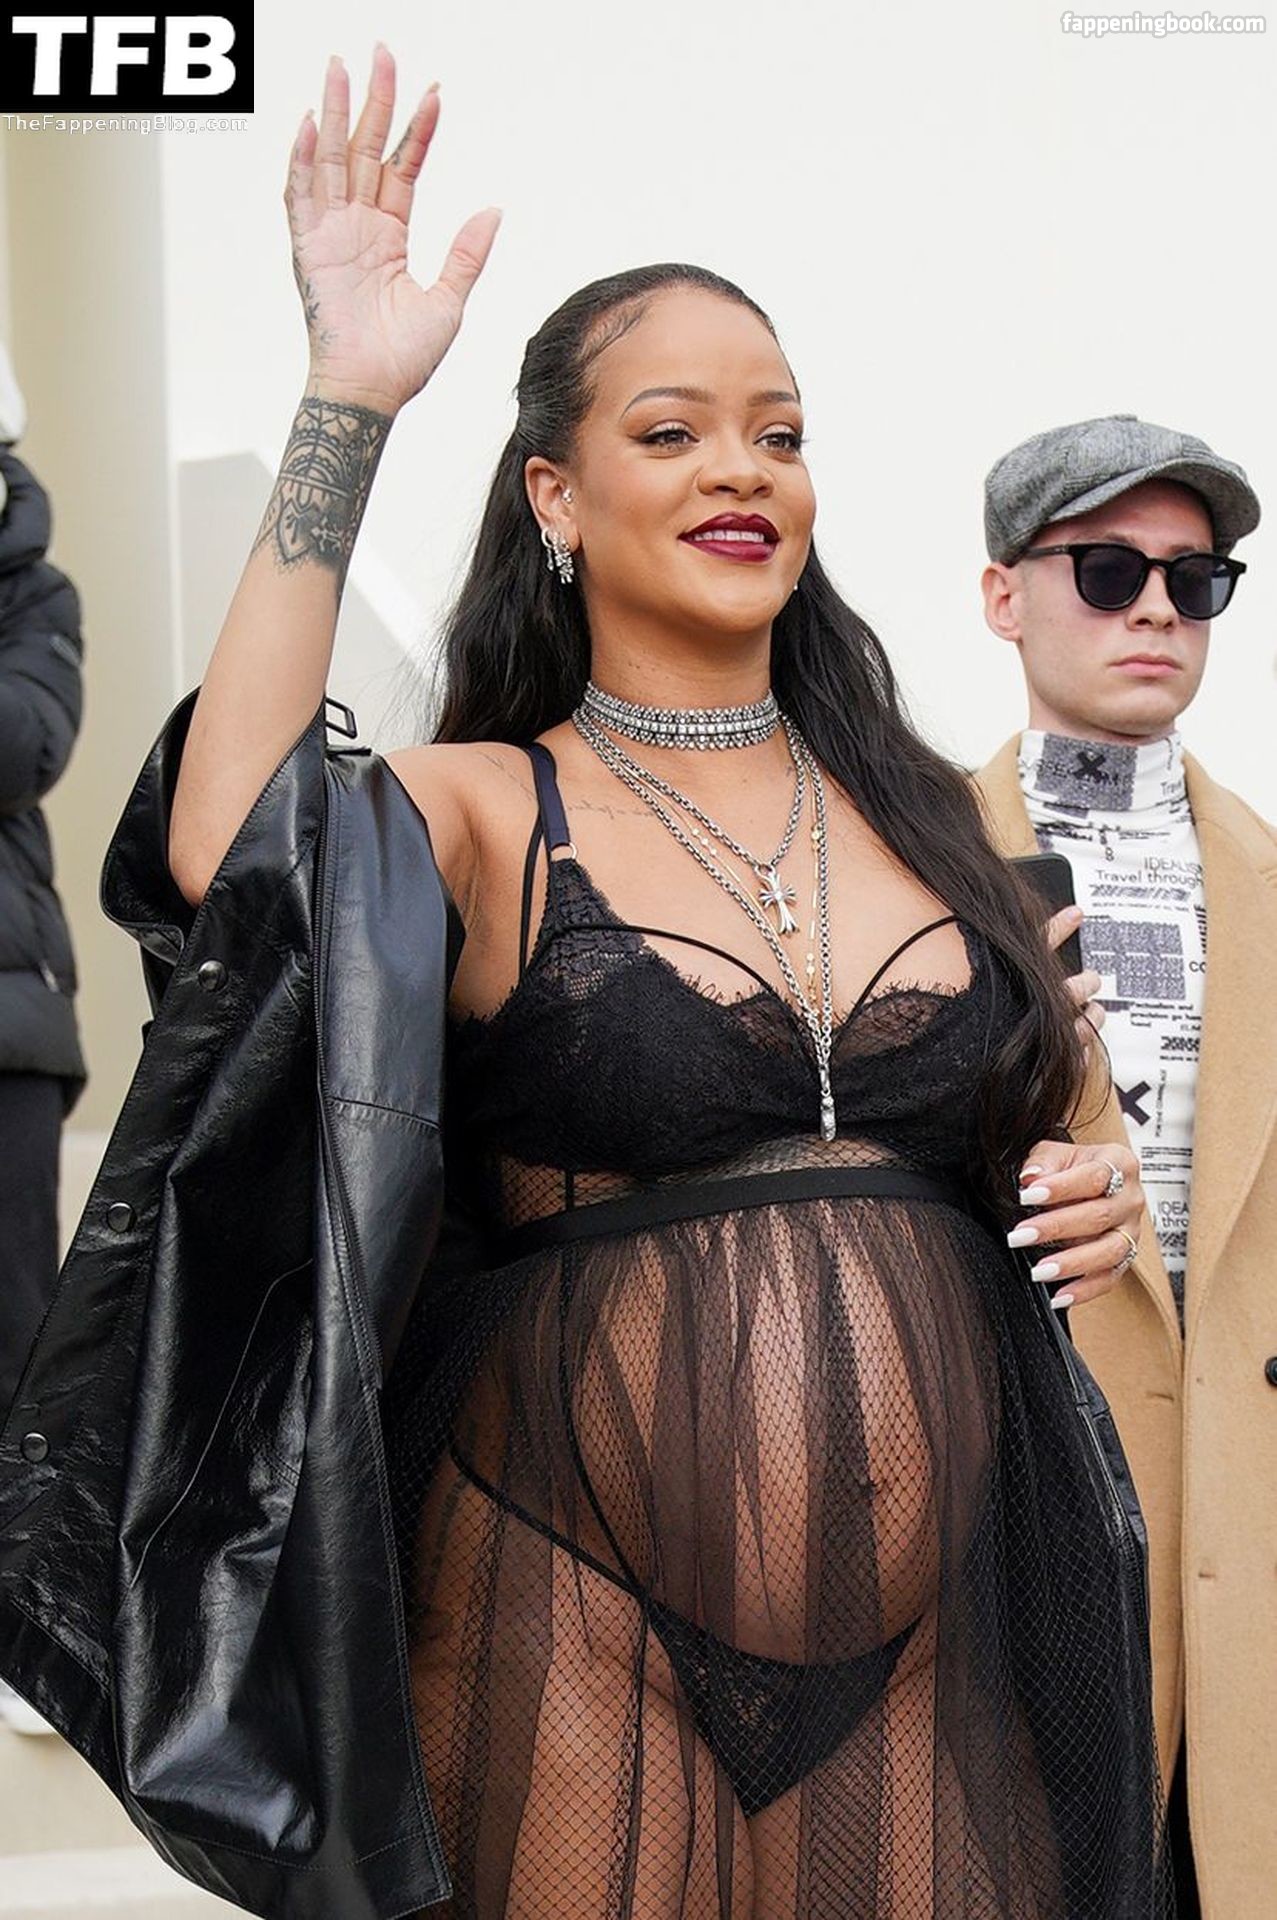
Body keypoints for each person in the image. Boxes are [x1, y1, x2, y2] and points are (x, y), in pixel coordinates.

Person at [0, 51, 1167, 1920]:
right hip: (562, 1601)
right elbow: (229, 851)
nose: (740, 470)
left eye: (777, 433)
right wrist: (348, 400)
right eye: (672, 431)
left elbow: (1052, 1139)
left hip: (941, 1631)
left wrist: (1093, 1190)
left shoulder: (945, 831)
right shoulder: (483, 808)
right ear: (555, 492)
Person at [973, 415, 1277, 1920]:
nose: (1155, 608)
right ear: (1002, 595)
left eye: (1193, 579)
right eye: (1105, 570)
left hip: (1249, 1533)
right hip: (1002, 1507)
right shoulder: (901, 864)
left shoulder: (1271, 881)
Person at [0, 347, 86, 1739]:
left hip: (3, 1026)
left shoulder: (32, 590)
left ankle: (24, 1630)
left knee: (14, 1340)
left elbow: (24, 740)